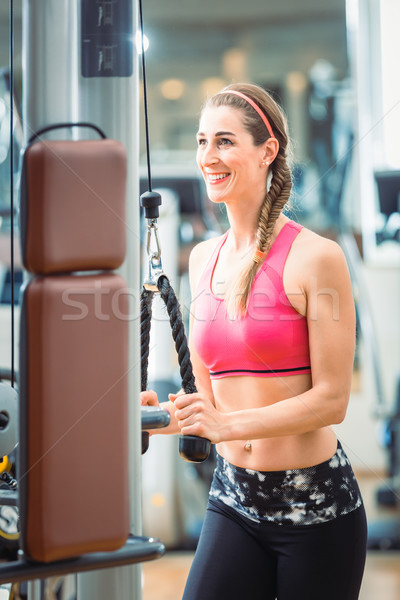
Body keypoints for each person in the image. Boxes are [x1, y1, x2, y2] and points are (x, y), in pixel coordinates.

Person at [141, 82, 367, 600]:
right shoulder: (203, 258)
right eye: (202, 142)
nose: (208, 157)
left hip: (315, 509)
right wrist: (163, 415)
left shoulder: (316, 257)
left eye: (224, 141)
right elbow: (210, 403)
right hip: (234, 499)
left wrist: (226, 424)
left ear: (267, 152)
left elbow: (332, 400)